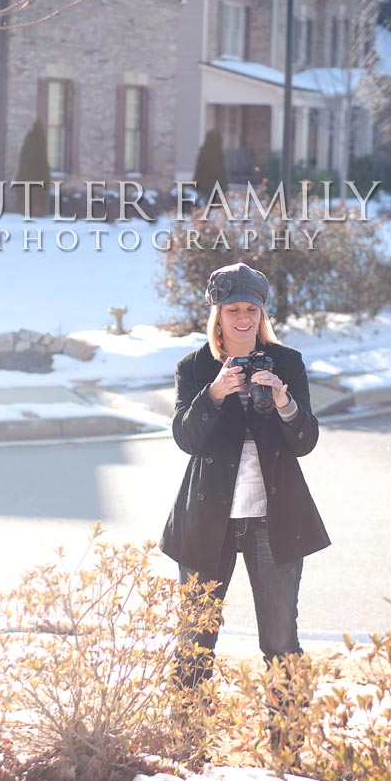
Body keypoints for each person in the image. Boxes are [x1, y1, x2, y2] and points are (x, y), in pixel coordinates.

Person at [160, 262, 331, 684]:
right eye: (233, 309)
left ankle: (287, 725)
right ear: (217, 314)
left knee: (281, 641)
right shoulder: (194, 367)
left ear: (261, 314)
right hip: (206, 519)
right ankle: (189, 724)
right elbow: (185, 438)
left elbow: (306, 442)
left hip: (274, 518)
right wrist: (214, 394)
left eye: (251, 310)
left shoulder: (286, 362)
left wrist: (284, 402)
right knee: (195, 640)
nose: (243, 319)